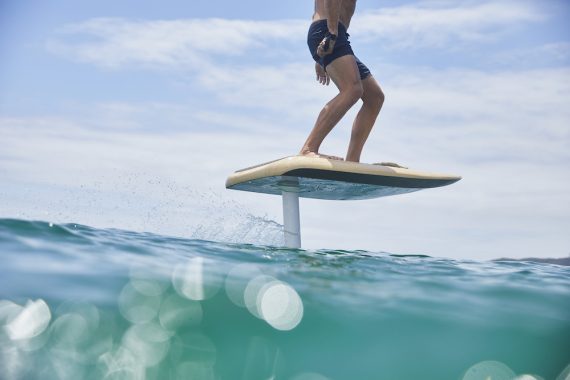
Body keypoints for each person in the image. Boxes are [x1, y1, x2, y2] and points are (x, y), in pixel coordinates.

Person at [300, 0, 384, 163]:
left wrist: (321, 58)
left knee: (374, 97)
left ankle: (353, 160)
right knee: (352, 89)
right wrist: (331, 34)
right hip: (328, 31)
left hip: (335, 33)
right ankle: (308, 148)